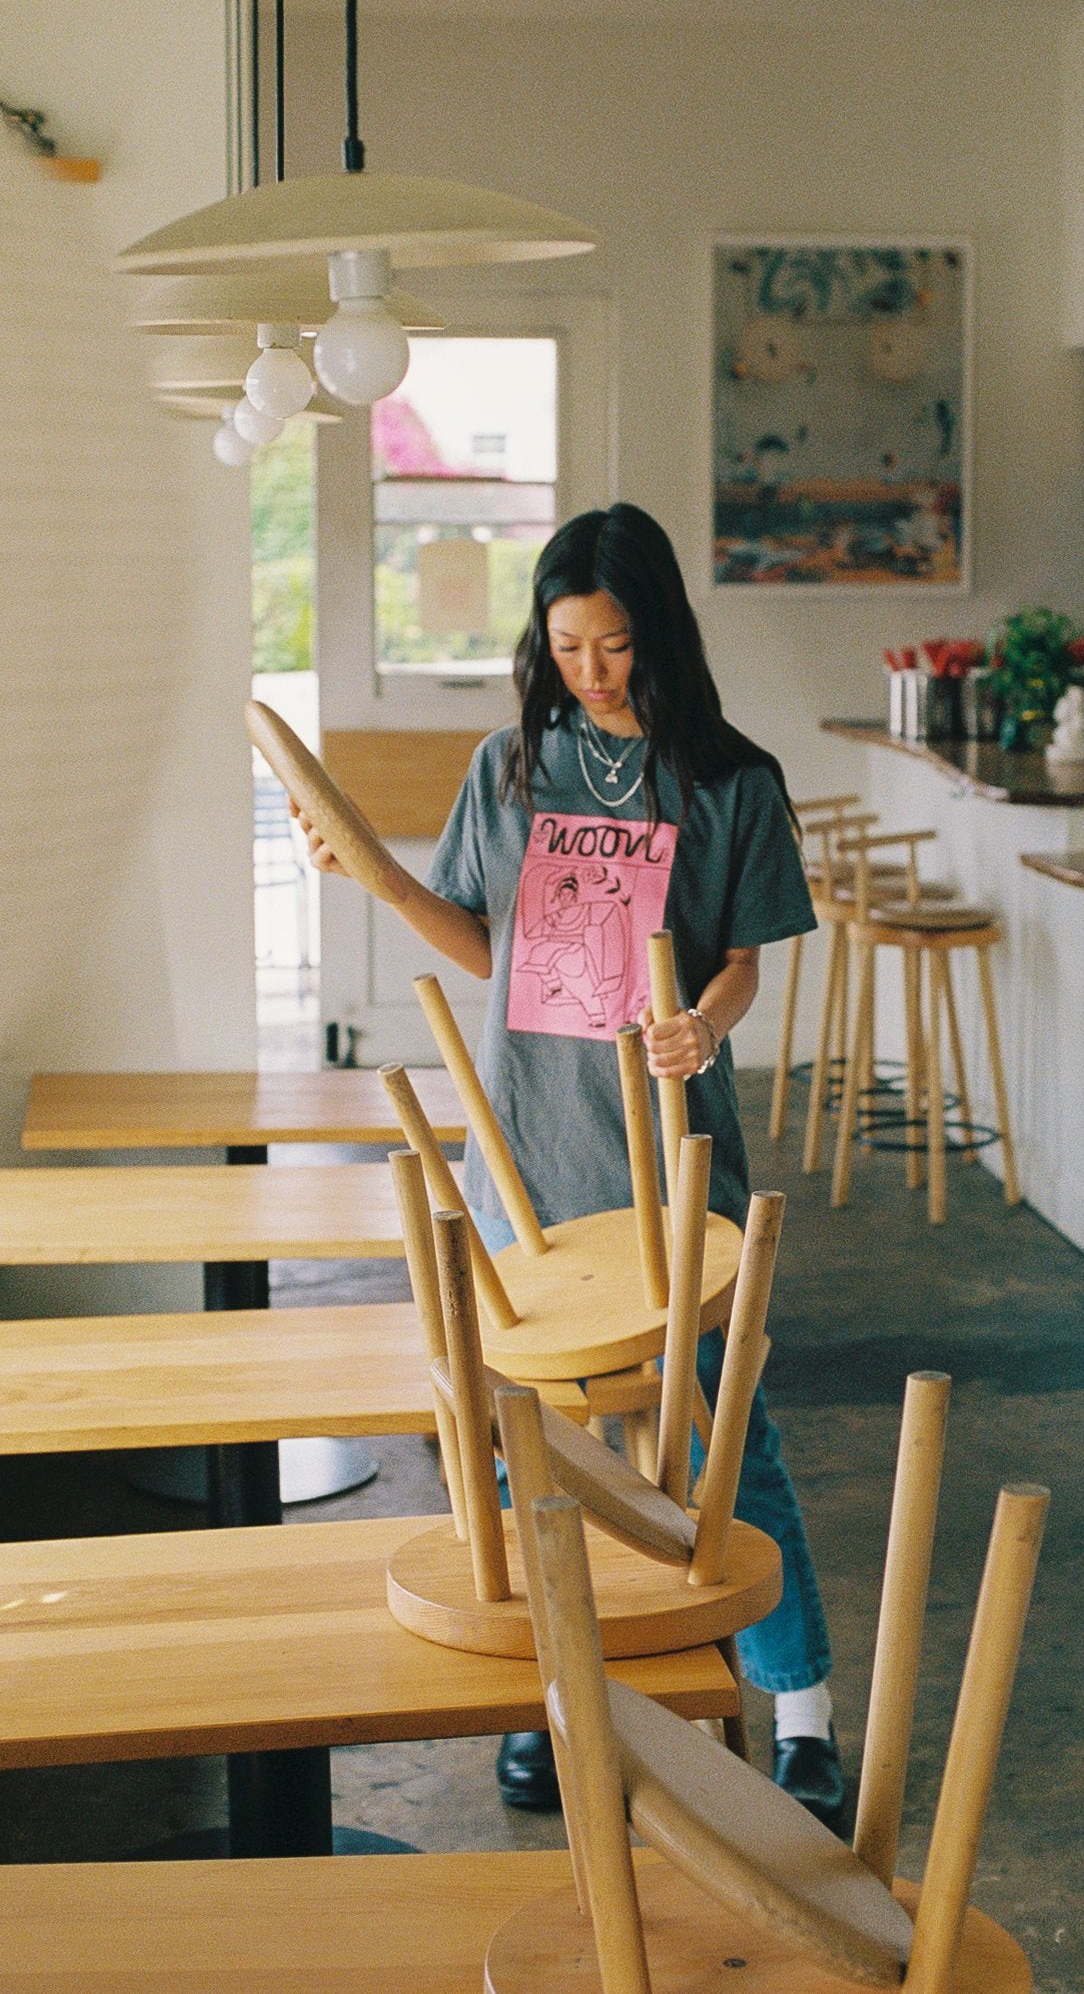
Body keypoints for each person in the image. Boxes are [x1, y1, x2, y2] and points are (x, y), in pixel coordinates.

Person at [296, 502, 844, 1833]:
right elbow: (484, 946)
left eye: (613, 645)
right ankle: (558, 1706)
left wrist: (701, 1023)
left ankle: (808, 1721)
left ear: (656, 633)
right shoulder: (512, 770)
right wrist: (375, 880)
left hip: (676, 1164)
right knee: (522, 1458)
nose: (593, 671)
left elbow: (744, 964)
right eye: (568, 647)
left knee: (722, 1441)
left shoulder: (731, 780)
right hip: (531, 1166)